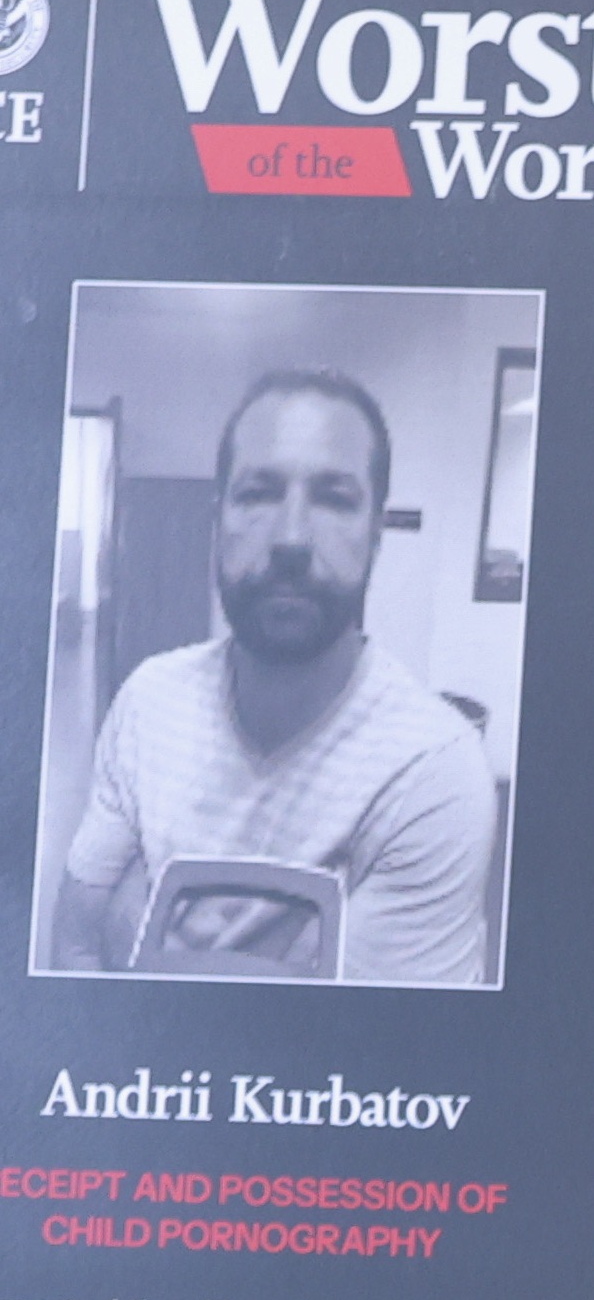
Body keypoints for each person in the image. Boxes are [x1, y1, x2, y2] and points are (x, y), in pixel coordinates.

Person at [48, 369, 498, 985]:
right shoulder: (147, 703)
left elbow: (371, 1055)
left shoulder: (433, 769)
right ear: (218, 522)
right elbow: (75, 950)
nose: (290, 538)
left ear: (375, 535)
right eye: (258, 493)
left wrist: (140, 923)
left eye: (334, 498)